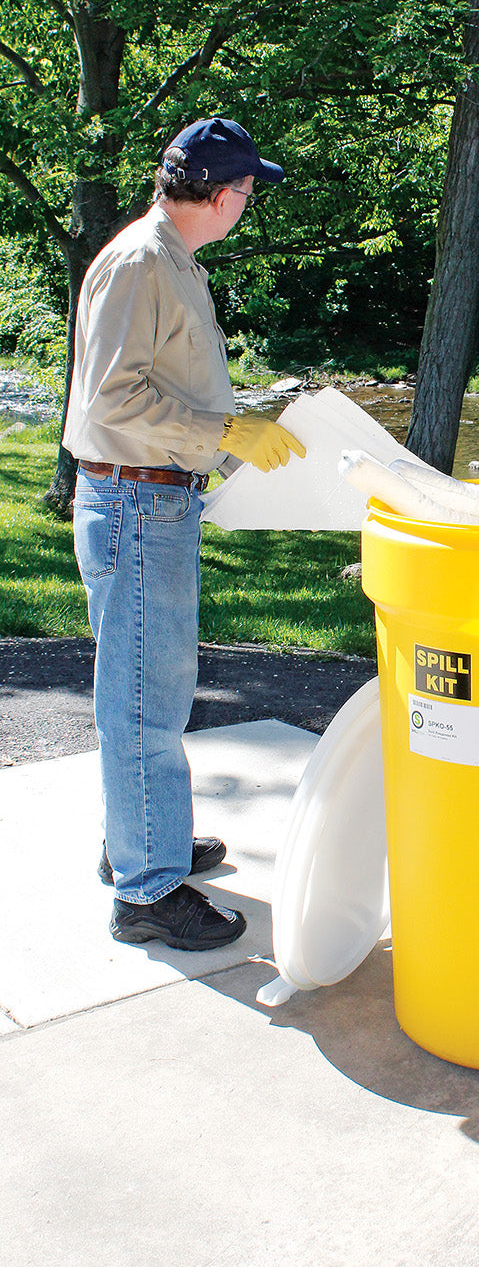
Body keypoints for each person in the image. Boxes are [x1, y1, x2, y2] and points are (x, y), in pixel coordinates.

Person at [63, 117, 306, 951]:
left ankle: (140, 841)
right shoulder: (140, 263)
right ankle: (147, 892)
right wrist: (226, 434)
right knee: (143, 703)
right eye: (244, 189)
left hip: (151, 500)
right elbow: (110, 400)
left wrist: (232, 426)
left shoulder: (172, 262)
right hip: (135, 503)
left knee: (148, 693)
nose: (247, 202)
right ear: (213, 190)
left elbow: (162, 387)